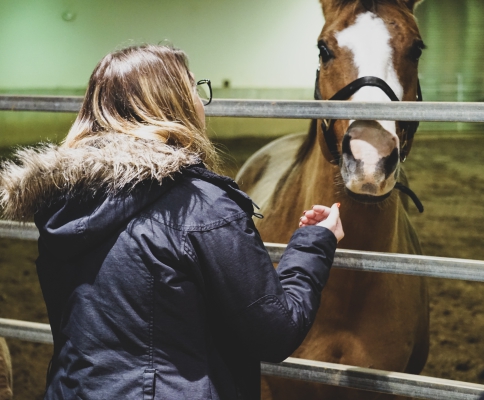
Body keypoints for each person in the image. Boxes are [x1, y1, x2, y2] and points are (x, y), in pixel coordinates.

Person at [0, 44, 344, 400]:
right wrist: (313, 244)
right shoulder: (201, 207)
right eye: (194, 87)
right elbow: (275, 332)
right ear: (172, 103)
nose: (200, 100)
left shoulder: (61, 203)